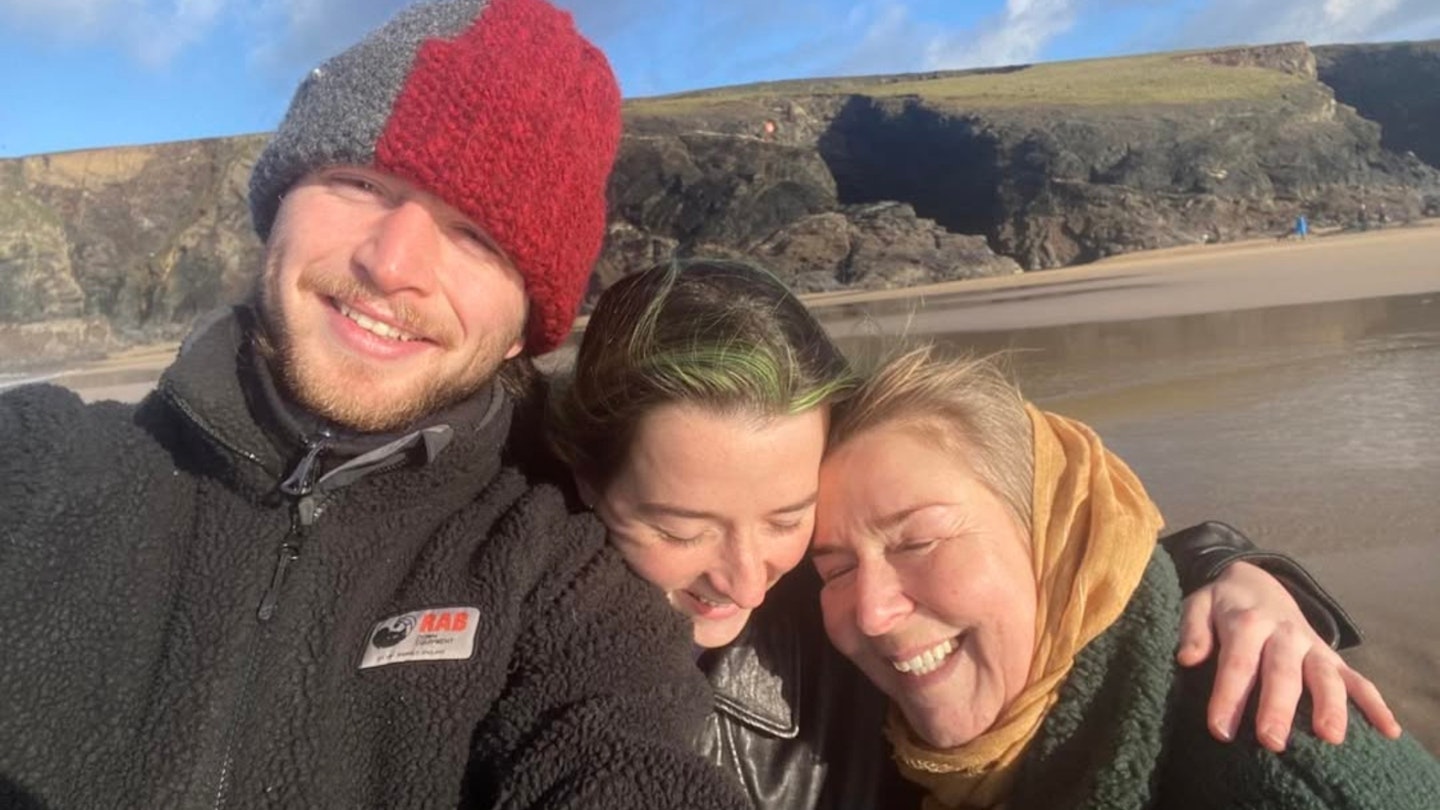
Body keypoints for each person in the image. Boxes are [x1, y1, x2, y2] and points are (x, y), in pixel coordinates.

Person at [0, 2, 747, 808]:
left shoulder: (560, 585)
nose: (394, 264)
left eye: (477, 237)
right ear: (278, 204)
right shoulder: (33, 465)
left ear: (520, 329)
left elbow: (625, 761)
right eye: (359, 183)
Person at [546, 259, 1396, 809]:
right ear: (588, 482)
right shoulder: (518, 641)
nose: (743, 577)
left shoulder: (833, 598)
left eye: (786, 518)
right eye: (680, 526)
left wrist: (1229, 571)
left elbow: (1038, 530)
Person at [812, 347, 1438, 809]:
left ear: (1059, 536)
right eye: (834, 568)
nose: (871, 612)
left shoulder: (1284, 765)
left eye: (920, 541)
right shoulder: (862, 731)